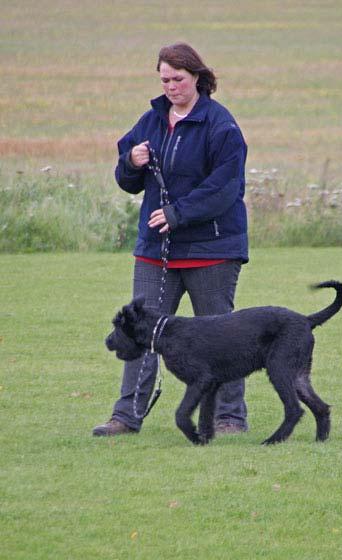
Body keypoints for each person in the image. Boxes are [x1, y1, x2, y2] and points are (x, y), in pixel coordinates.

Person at [93, 42, 249, 437]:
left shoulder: (221, 126)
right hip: (155, 251)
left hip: (211, 251)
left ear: (197, 77)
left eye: (178, 79)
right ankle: (126, 417)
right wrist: (131, 163)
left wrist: (180, 213)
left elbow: (225, 187)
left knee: (221, 337)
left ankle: (230, 418)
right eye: (164, 79)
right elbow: (127, 179)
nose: (171, 86)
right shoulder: (150, 121)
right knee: (137, 331)